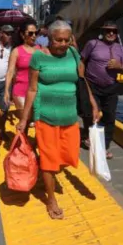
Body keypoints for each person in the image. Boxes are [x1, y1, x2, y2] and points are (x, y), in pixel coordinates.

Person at [16, 20, 100, 220]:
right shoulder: (38, 57)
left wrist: (93, 104)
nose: (62, 44)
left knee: (68, 155)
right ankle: (51, 198)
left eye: (66, 39)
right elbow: (32, 89)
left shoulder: (73, 54)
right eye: (58, 40)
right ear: (49, 38)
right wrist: (24, 119)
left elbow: (81, 81)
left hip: (69, 117)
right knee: (49, 159)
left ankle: (44, 172)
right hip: (46, 116)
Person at [79, 20, 123, 159]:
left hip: (111, 87)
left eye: (114, 31)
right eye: (108, 30)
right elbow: (82, 61)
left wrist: (120, 66)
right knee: (92, 115)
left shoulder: (120, 48)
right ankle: (91, 139)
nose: (111, 33)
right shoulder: (92, 44)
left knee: (109, 117)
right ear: (102, 32)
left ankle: (105, 146)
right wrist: (81, 79)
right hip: (93, 86)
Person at [4, 21, 40, 134]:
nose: (34, 36)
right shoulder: (16, 51)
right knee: (25, 120)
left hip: (37, 91)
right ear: (22, 35)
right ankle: (23, 148)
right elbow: (10, 72)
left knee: (35, 122)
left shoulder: (41, 50)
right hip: (20, 91)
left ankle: (30, 147)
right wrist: (6, 90)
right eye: (30, 33)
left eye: (36, 33)